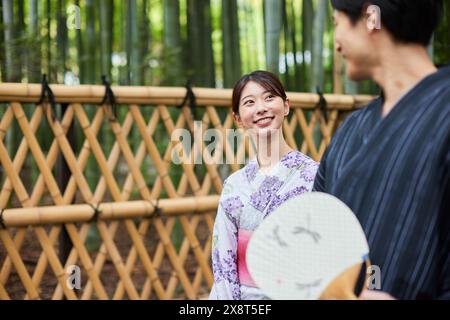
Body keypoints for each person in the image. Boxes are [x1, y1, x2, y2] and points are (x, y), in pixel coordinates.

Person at [314, 0, 450, 299]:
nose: (336, 44)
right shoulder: (347, 133)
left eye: (337, 23)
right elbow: (316, 240)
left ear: (371, 16)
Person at [209, 71, 319, 299]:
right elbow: (224, 263)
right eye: (249, 102)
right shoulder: (234, 185)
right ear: (238, 118)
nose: (261, 108)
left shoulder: (314, 175)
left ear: (286, 106)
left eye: (269, 98)